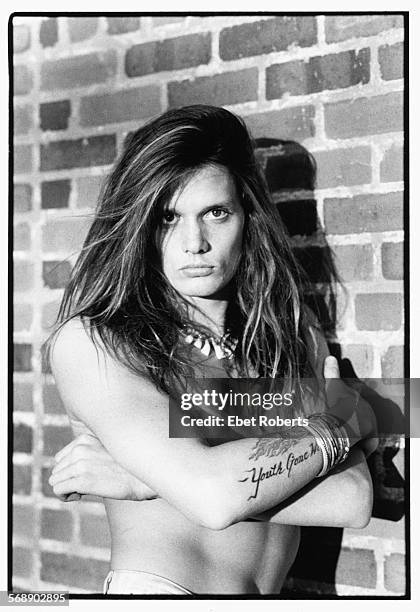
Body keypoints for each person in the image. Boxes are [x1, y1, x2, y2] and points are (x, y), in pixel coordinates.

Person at [46, 105, 377, 595]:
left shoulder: (292, 334)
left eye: (215, 213)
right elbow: (213, 496)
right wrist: (348, 421)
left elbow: (352, 499)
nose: (194, 242)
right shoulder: (99, 342)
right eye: (167, 218)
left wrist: (152, 483)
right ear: (139, 226)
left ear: (247, 216)